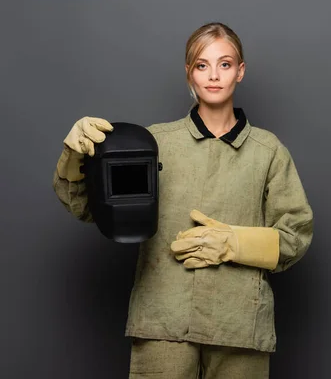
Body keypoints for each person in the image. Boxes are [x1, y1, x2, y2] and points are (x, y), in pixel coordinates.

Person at [52, 22, 314, 379]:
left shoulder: (268, 151)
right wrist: (73, 157)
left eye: (225, 63)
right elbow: (89, 208)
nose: (214, 75)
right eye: (202, 65)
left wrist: (235, 244)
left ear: (241, 71)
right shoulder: (153, 142)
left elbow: (296, 234)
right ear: (189, 72)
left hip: (239, 325)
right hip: (163, 323)